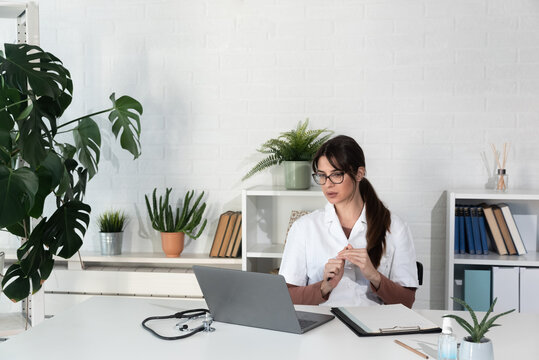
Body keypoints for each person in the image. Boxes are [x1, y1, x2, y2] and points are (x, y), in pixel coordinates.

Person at [279, 135, 418, 308]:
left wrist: (374, 276)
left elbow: (407, 302)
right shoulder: (304, 228)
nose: (328, 184)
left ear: (359, 173)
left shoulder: (395, 228)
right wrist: (325, 286)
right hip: (322, 328)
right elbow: (287, 297)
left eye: (336, 174)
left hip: (374, 327)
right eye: (322, 176)